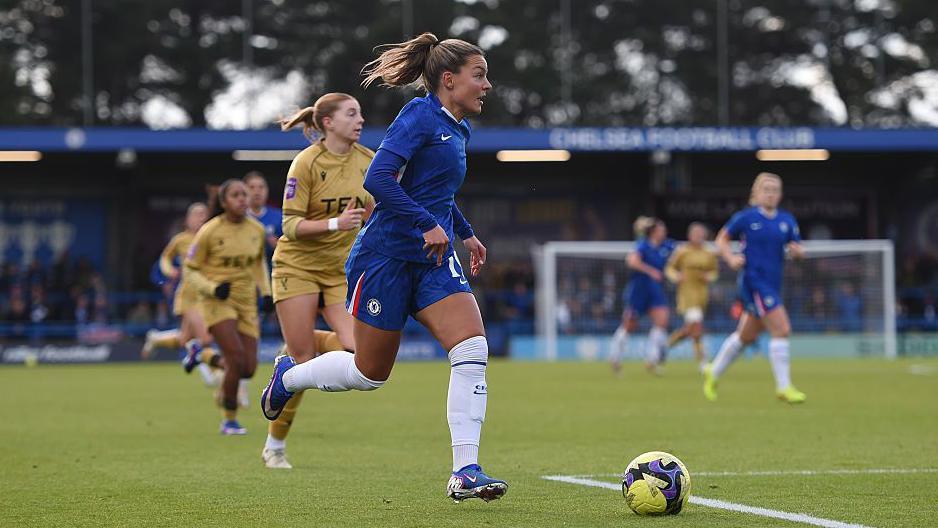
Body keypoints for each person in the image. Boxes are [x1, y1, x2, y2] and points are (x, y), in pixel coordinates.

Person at [260, 32, 507, 502]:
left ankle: (465, 471)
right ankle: (289, 376)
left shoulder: (458, 128)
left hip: (432, 260)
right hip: (385, 258)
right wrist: (423, 224)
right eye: (480, 76)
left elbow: (437, 194)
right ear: (449, 80)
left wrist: (464, 230)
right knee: (370, 374)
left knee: (472, 348)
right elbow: (378, 179)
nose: (487, 85)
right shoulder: (417, 116)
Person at [261, 93, 374, 469]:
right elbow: (289, 226)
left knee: (361, 355)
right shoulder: (306, 163)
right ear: (328, 122)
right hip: (297, 267)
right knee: (303, 360)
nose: (360, 120)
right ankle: (275, 447)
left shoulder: (369, 161)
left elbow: (377, 214)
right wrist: (335, 223)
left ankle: (293, 351)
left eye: (360, 113)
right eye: (351, 113)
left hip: (340, 270)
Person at [704, 172, 806, 404]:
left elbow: (797, 248)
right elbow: (721, 239)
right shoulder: (746, 218)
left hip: (772, 282)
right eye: (766, 189)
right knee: (782, 328)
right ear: (756, 193)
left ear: (780, 194)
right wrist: (730, 258)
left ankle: (714, 371)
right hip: (753, 281)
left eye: (775, 190)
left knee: (746, 336)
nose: (770, 194)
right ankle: (784, 387)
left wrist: (799, 252)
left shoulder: (787, 220)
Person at [185, 179, 272, 434]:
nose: (243, 199)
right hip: (217, 300)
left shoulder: (256, 230)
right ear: (224, 203)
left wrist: (266, 292)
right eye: (236, 195)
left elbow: (258, 264)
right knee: (235, 358)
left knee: (248, 368)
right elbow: (190, 270)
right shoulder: (210, 231)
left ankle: (203, 355)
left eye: (244, 194)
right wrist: (212, 289)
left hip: (246, 302)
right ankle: (229, 420)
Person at [142, 203, 220, 384]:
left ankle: (155, 339)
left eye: (204, 214)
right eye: (196, 214)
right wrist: (170, 271)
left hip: (207, 293)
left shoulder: (212, 238)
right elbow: (165, 258)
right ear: (188, 220)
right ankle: (214, 373)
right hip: (188, 295)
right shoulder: (180, 240)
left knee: (185, 338)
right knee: (206, 337)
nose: (201, 217)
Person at [609, 217, 675, 375]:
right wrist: (651, 271)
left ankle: (652, 360)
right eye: (661, 229)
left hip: (655, 290)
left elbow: (679, 255)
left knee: (662, 320)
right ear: (653, 232)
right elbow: (632, 261)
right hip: (639, 290)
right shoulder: (642, 245)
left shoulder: (667, 246)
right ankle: (615, 357)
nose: (664, 232)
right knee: (630, 324)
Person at [664, 222, 719, 373]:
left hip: (701, 294)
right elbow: (669, 268)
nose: (698, 237)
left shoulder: (709, 253)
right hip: (686, 294)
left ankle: (665, 346)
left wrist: (709, 277)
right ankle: (702, 363)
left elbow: (715, 272)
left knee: (690, 330)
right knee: (696, 328)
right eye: (695, 234)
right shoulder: (682, 251)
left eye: (701, 234)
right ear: (690, 236)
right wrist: (676, 276)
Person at [244, 171, 283, 256]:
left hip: (273, 267)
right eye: (252, 187)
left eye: (261, 187)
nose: (257, 192)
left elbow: (291, 247)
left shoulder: (279, 216)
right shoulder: (238, 217)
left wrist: (278, 245)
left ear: (267, 190)